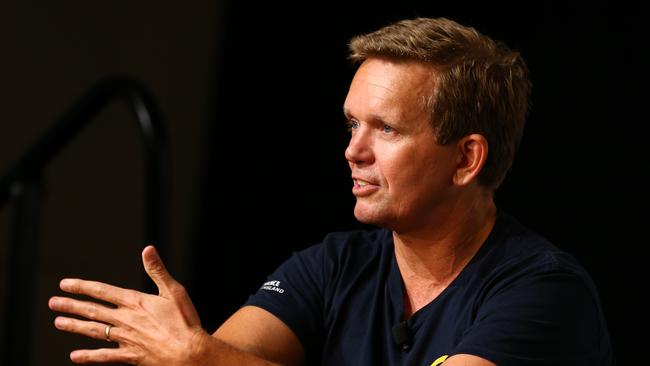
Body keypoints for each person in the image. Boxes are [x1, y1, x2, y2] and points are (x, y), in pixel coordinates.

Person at [48, 17, 614, 365]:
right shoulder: (332, 265)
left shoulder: (546, 293)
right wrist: (191, 354)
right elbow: (226, 357)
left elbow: (209, 362)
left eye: (385, 129)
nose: (353, 151)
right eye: (352, 124)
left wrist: (197, 357)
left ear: (466, 158)